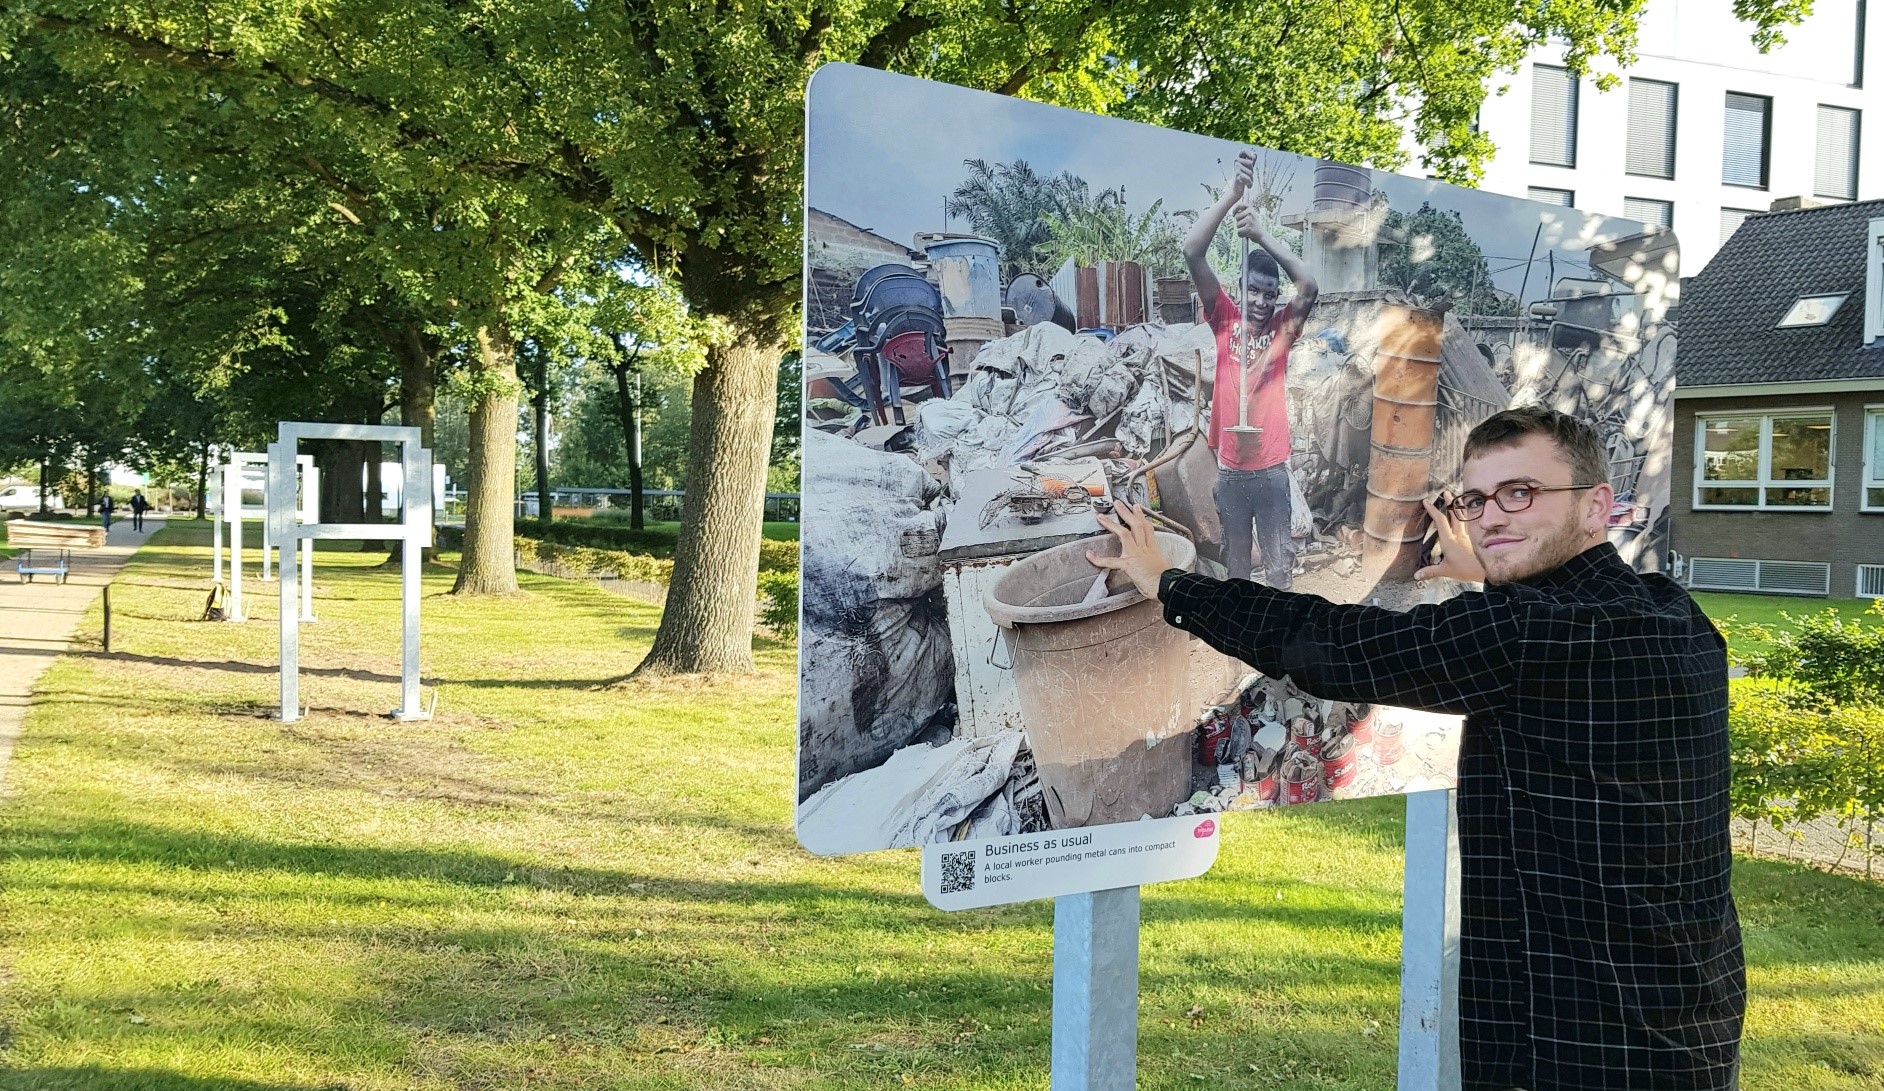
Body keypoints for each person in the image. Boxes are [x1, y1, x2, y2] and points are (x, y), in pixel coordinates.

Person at [1089, 407, 1744, 1090]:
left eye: (1521, 493)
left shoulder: (1522, 637)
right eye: (1475, 499)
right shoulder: (1672, 614)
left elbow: (1330, 641)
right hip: (1689, 1017)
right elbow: (1546, 648)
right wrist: (1497, 571)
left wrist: (1171, 582)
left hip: (1578, 1045)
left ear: (1596, 506)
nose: (1491, 517)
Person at [1181, 150, 1319, 588]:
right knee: (1236, 569)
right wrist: (1231, 195)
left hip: (1272, 468)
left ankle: (1279, 645)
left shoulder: (1283, 331)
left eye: (1269, 294)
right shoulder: (1223, 318)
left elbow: (1309, 286)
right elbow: (1192, 249)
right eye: (1254, 292)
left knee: (1279, 570)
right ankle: (1237, 654)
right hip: (1232, 470)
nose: (1261, 302)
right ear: (1240, 291)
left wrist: (1261, 236)